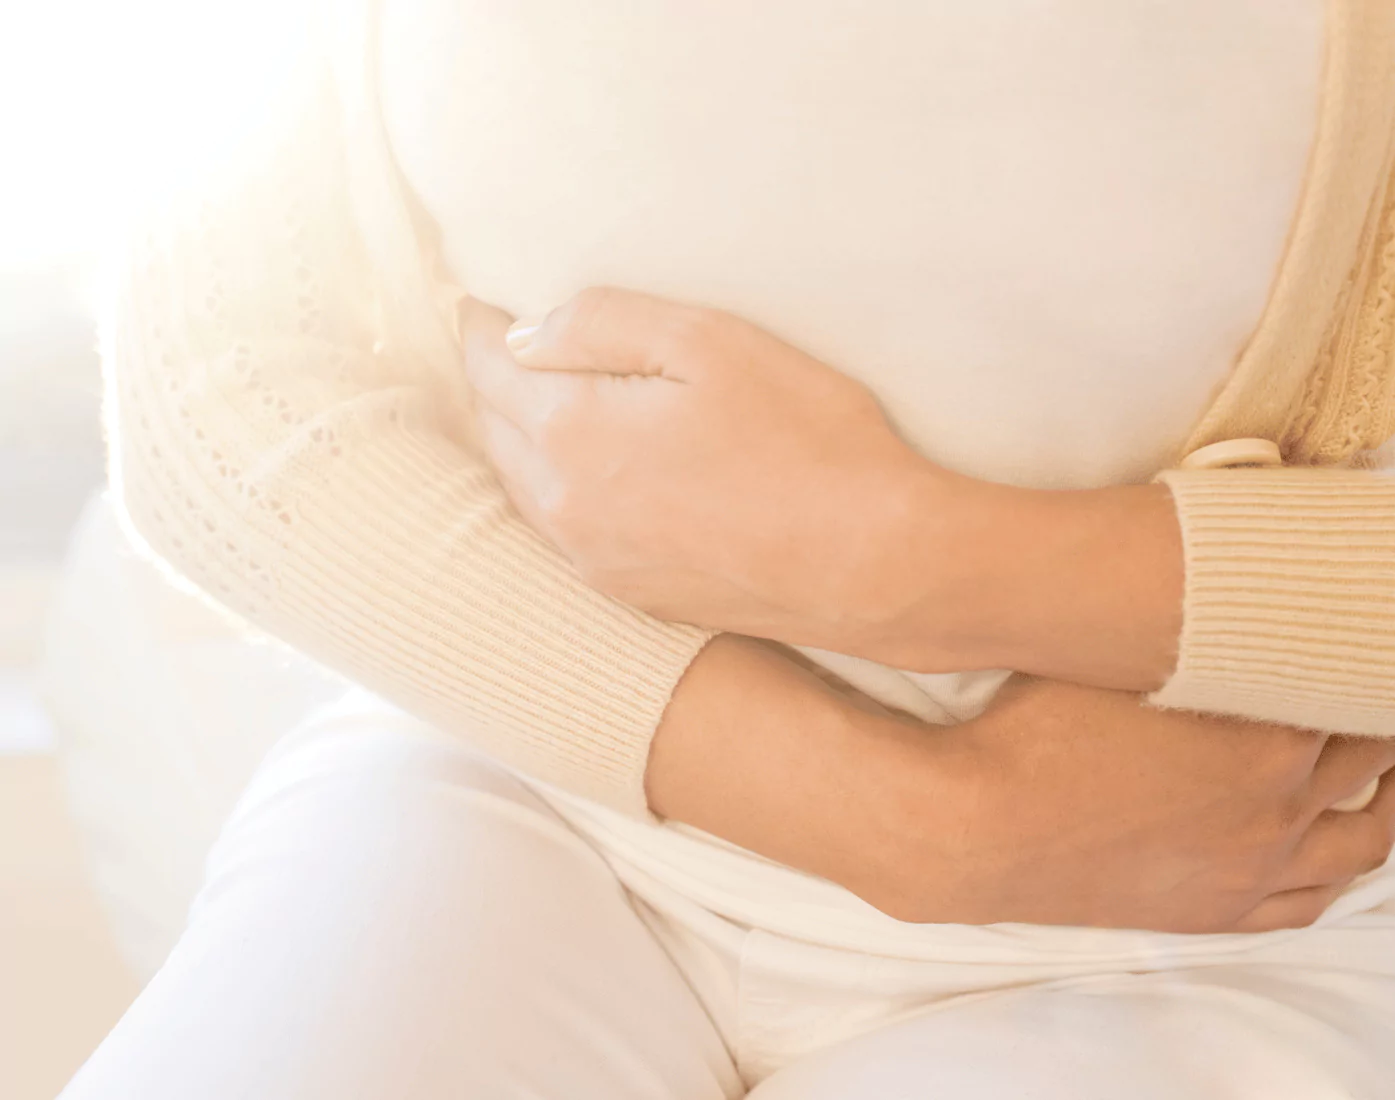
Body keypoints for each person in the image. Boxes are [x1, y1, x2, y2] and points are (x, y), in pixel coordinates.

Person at [67, 0, 1395, 1095]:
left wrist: (920, 565)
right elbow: (219, 391)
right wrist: (923, 826)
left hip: (1244, 893)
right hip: (542, 796)